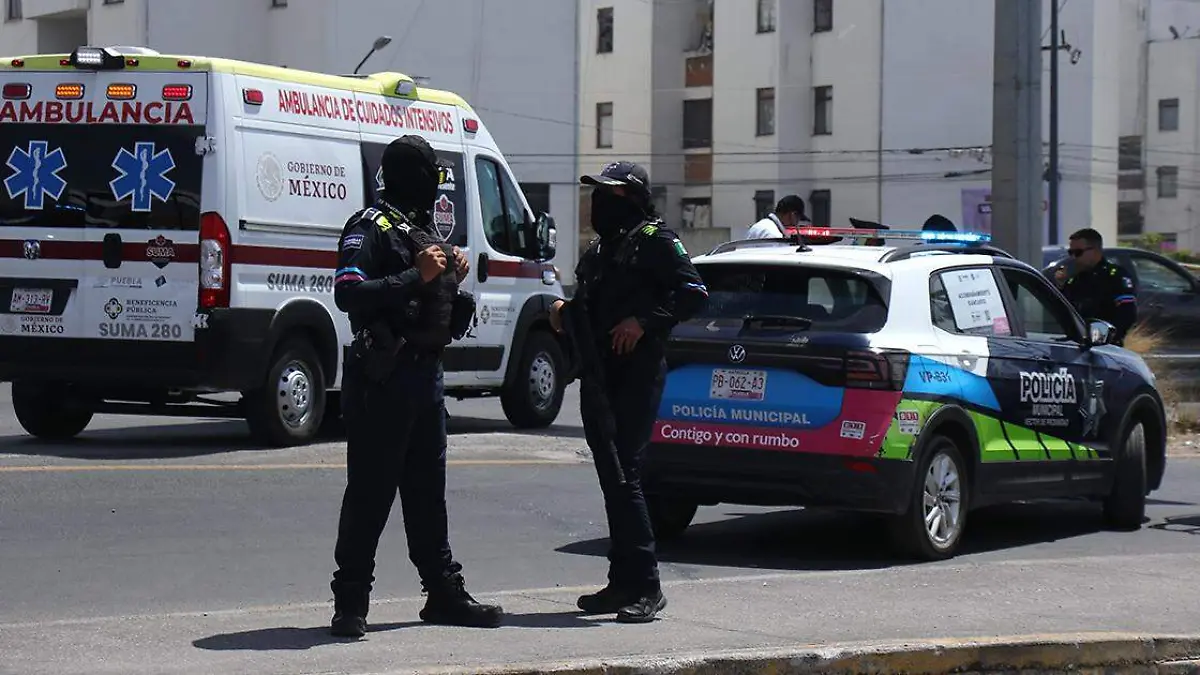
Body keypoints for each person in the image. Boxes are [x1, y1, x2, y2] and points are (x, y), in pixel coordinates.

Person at [328, 134, 502, 638]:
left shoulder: (424, 231)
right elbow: (348, 292)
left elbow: (440, 310)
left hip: (426, 378)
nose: (436, 190)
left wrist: (453, 278)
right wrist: (415, 274)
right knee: (371, 492)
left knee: (428, 494)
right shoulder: (370, 227)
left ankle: (443, 593)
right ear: (413, 177)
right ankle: (351, 602)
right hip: (382, 380)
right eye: (432, 179)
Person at [550, 161, 709, 623]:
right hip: (600, 375)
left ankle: (647, 585)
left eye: (610, 195)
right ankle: (621, 582)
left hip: (637, 371)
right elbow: (588, 303)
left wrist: (643, 322)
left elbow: (694, 292)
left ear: (633, 197)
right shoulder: (603, 249)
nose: (597, 204)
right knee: (611, 478)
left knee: (627, 475)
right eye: (596, 194)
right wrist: (565, 310)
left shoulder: (657, 240)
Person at [1060, 228, 1138, 345]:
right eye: (1071, 253)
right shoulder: (1075, 279)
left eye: (1078, 253)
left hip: (1105, 346)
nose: (1074, 258)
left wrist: (1105, 338)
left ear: (1096, 251)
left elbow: (1127, 314)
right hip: (1077, 344)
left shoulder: (1114, 276)